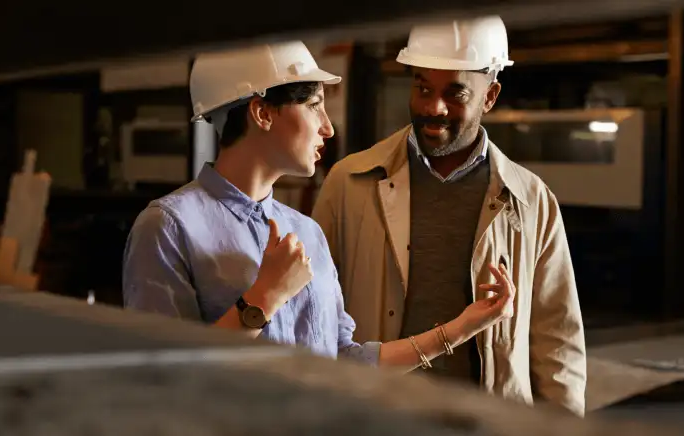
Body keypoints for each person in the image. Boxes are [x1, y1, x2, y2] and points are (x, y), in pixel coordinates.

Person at [121, 40, 516, 371]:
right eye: (314, 105)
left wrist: (462, 327)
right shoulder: (168, 226)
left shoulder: (305, 231)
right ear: (262, 113)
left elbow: (343, 359)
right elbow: (162, 377)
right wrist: (262, 299)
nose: (328, 126)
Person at [312, 17, 587, 415]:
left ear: (490, 96)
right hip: (374, 416)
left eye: (454, 94)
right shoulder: (349, 183)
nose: (432, 108)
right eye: (423, 88)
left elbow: (556, 341)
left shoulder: (531, 201)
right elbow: (312, 319)